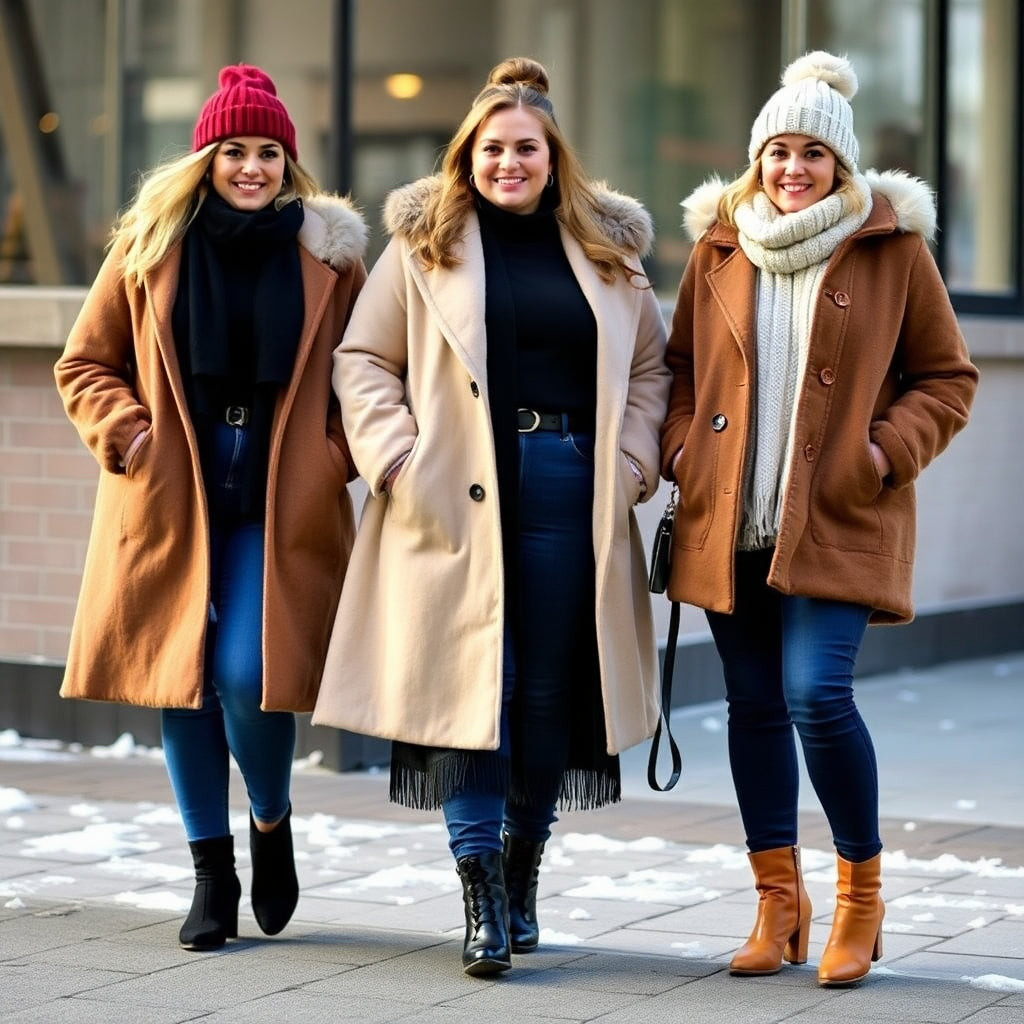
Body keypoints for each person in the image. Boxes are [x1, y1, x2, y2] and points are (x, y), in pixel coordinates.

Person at [313, 56, 669, 976]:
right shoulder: (424, 245)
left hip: (567, 484)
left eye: (527, 148)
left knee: (549, 688)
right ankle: (475, 886)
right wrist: (394, 455)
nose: (509, 162)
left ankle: (521, 872)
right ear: (466, 153)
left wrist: (630, 462)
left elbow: (651, 372)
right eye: (492, 147)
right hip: (449, 489)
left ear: (555, 157)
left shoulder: (608, 254)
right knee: (474, 684)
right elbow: (362, 360)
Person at [660, 51, 978, 987]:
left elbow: (947, 379)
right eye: (776, 152)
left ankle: (861, 901)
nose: (792, 168)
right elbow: (678, 371)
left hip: (838, 515)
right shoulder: (719, 248)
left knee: (816, 696)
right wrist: (682, 448)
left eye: (813, 153)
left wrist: (882, 454)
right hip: (732, 518)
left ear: (841, 163)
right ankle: (777, 905)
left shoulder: (893, 251)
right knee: (753, 708)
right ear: (756, 159)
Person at [54, 64, 368, 951]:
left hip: (278, 496)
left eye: (269, 152)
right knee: (179, 677)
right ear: (206, 157)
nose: (252, 167)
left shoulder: (330, 257)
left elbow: (370, 370)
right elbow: (85, 365)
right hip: (170, 494)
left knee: (243, 671)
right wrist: (130, 434)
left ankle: (270, 820)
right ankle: (210, 871)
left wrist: (332, 457)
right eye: (235, 150)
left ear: (288, 164)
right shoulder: (150, 247)